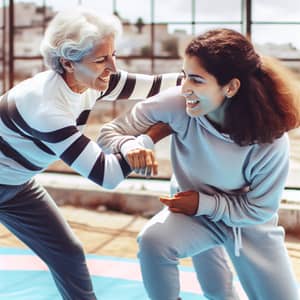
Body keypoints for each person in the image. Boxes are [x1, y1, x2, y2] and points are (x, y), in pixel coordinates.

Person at [97, 28, 300, 300]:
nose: (184, 88)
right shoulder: (176, 104)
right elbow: (108, 133)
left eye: (196, 80)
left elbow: (259, 210)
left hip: (247, 221)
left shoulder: (270, 139)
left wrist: (203, 203)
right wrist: (132, 145)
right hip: (193, 213)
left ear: (231, 87)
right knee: (156, 244)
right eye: (183, 76)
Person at [0, 8, 182, 300]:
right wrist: (153, 135)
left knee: (68, 254)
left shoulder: (91, 81)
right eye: (101, 60)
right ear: (67, 63)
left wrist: (200, 76)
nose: (112, 67)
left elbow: (155, 85)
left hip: (17, 185)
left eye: (113, 55)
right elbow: (106, 176)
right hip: (8, 181)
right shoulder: (47, 108)